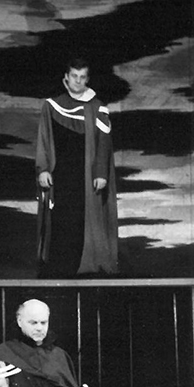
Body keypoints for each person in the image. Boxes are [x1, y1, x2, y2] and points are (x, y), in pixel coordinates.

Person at [36, 58, 118, 277]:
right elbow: (44, 139)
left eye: (82, 77)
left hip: (87, 176)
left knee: (84, 220)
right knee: (60, 220)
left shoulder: (97, 107)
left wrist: (101, 173)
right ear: (66, 78)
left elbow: (103, 144)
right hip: (59, 175)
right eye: (74, 76)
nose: (78, 81)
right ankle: (60, 269)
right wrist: (43, 169)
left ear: (87, 79)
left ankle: (83, 269)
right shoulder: (51, 106)